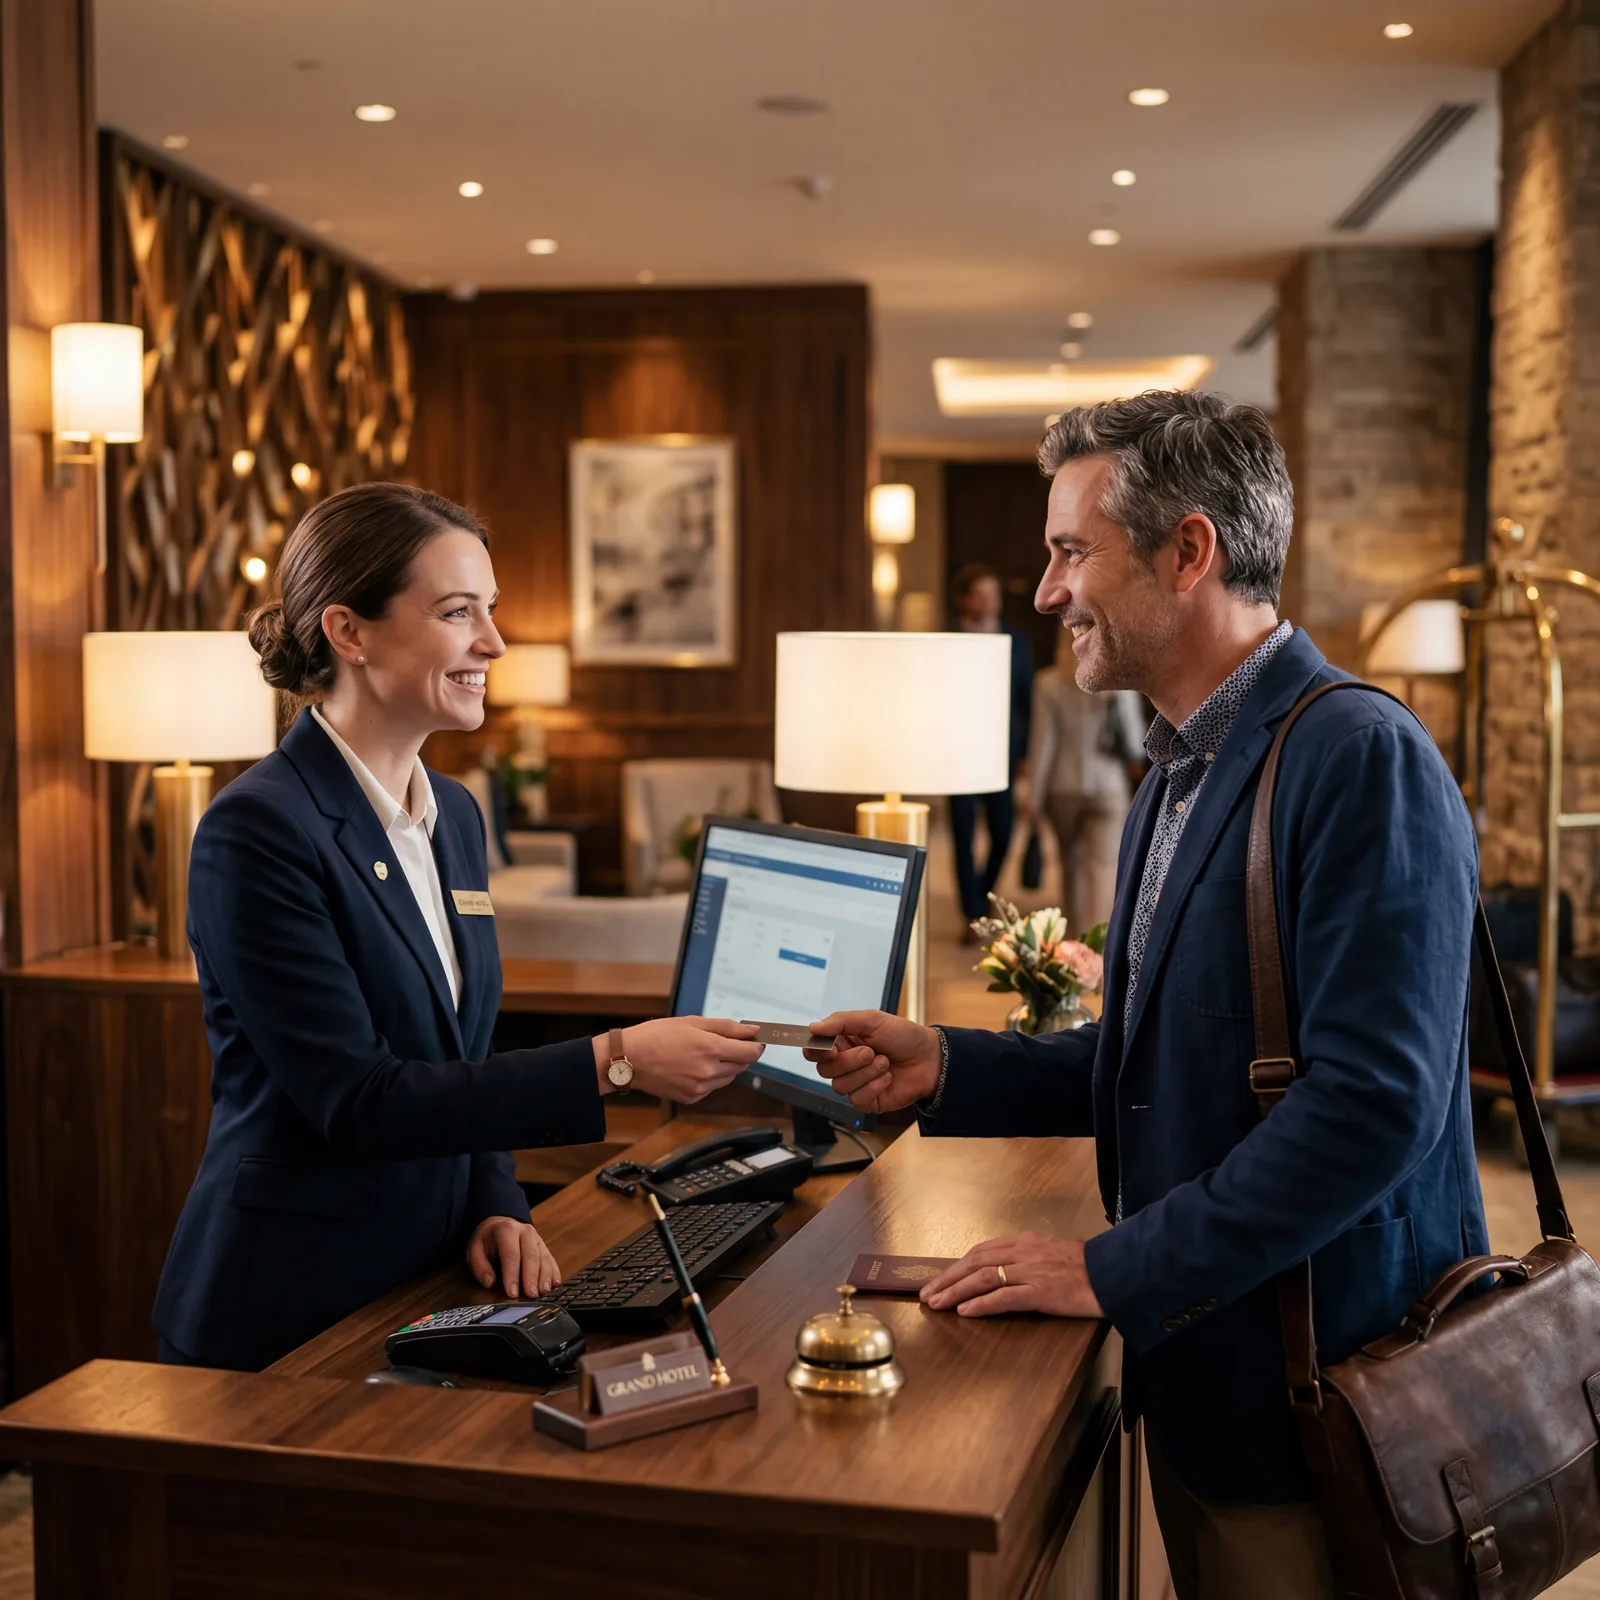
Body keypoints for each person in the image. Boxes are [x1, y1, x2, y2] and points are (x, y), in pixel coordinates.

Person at [807, 392, 1485, 1600]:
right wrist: (947, 1065)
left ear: (1188, 552)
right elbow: (1161, 1056)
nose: (1045, 591)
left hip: (1327, 1410)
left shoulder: (1356, 757)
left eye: (1071, 550)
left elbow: (1373, 1109)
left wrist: (1109, 1268)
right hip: (1220, 1375)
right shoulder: (1177, 769)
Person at [153, 483, 764, 1371]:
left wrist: (496, 1197)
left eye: (490, 609)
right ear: (348, 632)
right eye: (456, 611)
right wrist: (615, 1060)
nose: (494, 642)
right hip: (289, 1309)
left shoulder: (458, 814)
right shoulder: (256, 832)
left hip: (434, 1280)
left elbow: (458, 1057)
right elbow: (360, 1103)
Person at [1026, 627, 1145, 932]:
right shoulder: (1120, 682)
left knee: (1071, 868)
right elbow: (1133, 744)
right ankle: (1098, 952)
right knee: (1103, 870)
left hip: (1061, 787)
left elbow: (1043, 745)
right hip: (1108, 788)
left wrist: (1033, 798)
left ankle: (1076, 952)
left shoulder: (1048, 682)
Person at [947, 563, 1033, 934]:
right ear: (964, 599)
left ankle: (981, 896)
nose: (990, 602)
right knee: (962, 835)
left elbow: (1026, 702)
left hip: (1003, 753)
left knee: (1003, 832)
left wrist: (1027, 752)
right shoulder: (948, 641)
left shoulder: (1016, 641)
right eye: (981, 595)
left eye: (993, 595)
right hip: (958, 754)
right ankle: (971, 913)